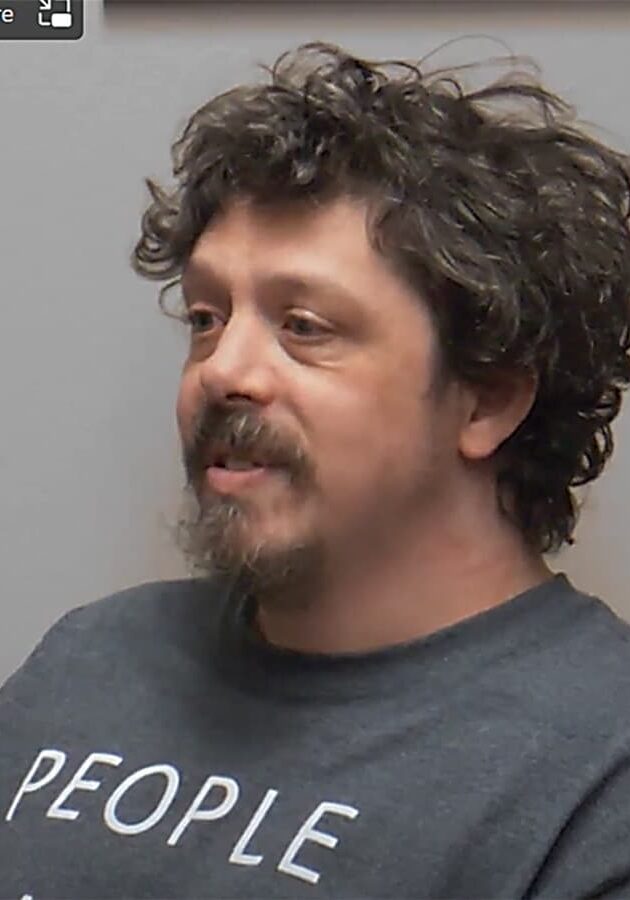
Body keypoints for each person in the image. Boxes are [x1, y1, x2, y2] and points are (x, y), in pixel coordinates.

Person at [2, 40, 630, 900]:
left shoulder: (598, 772)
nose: (222, 370)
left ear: (484, 402)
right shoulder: (89, 659)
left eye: (303, 325)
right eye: (205, 316)